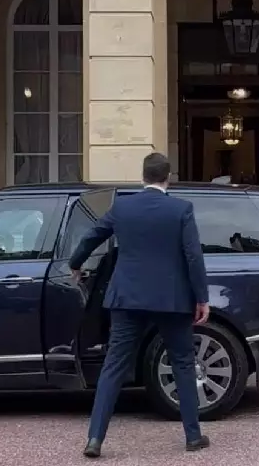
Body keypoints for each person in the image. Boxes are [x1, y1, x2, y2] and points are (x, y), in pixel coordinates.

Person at [69, 152, 211, 458]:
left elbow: (92, 236)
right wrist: (202, 297)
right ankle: (193, 435)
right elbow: (193, 255)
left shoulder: (122, 207)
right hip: (172, 298)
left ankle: (95, 439)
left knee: (113, 367)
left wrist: (75, 263)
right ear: (168, 178)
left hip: (127, 296)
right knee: (183, 364)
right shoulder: (181, 209)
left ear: (142, 176)